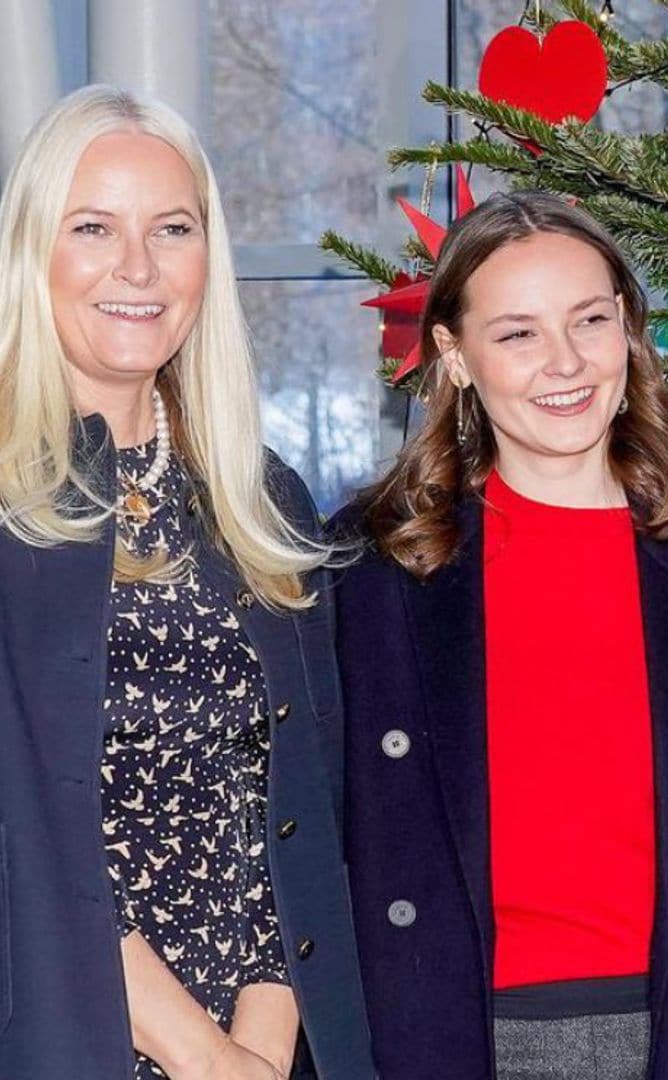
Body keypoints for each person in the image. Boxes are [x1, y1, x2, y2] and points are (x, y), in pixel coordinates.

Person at [332, 189, 668, 1080]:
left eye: (590, 320)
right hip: (453, 1034)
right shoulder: (374, 569)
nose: (565, 362)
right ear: (455, 354)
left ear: (628, 331)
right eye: (518, 333)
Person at [0, 85, 373, 1079]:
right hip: (63, 1034)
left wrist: (260, 1039)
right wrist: (198, 1054)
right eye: (93, 227)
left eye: (173, 228)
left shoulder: (261, 499)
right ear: (33, 248)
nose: (138, 267)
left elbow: (303, 805)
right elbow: (21, 843)